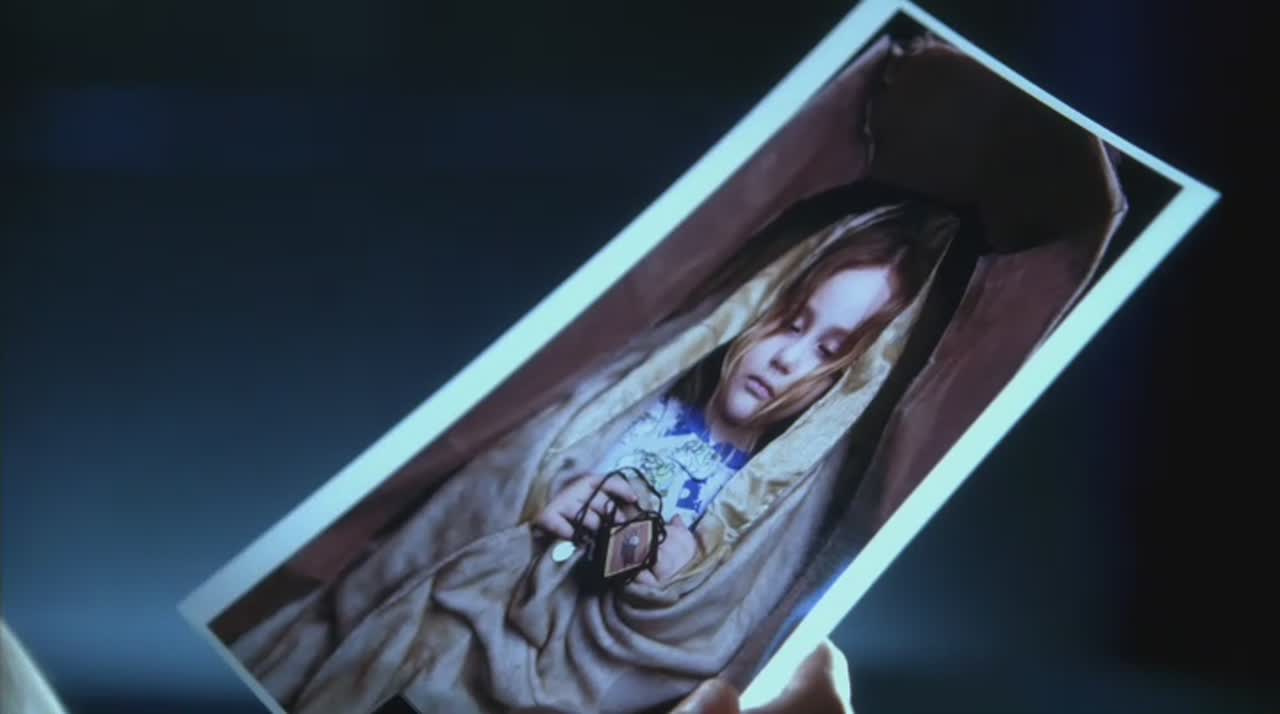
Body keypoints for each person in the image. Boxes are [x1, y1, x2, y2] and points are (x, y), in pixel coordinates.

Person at [230, 198, 958, 714]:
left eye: (829, 353)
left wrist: (669, 582)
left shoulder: (759, 508)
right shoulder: (642, 400)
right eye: (793, 323)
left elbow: (708, 629)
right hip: (459, 615)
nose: (786, 359)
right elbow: (511, 472)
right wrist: (548, 500)